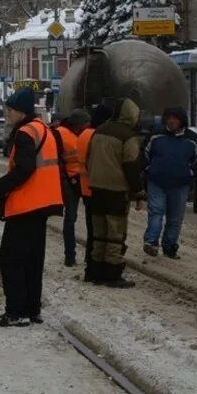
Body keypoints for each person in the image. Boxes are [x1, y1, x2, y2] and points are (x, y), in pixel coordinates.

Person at [0, 87, 64, 327]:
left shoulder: (24, 133)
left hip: (26, 205)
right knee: (32, 260)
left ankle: (16, 312)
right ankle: (32, 309)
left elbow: (24, 169)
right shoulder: (44, 130)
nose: (7, 113)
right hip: (43, 204)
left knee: (11, 259)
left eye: (9, 109)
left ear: (20, 111)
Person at [85, 99, 145, 288]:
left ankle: (94, 271)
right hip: (116, 191)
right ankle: (112, 273)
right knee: (115, 234)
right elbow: (131, 166)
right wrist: (139, 192)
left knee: (99, 232)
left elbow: (88, 159)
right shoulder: (128, 137)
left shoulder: (99, 131)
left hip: (95, 188)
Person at [143, 107, 197, 259]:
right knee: (156, 212)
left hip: (180, 183)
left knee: (175, 218)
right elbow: (143, 154)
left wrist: (191, 173)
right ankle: (151, 241)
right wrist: (149, 169)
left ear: (182, 120)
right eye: (169, 118)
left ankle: (169, 246)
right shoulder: (155, 136)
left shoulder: (192, 139)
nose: (172, 121)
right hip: (157, 181)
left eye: (175, 118)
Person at [78, 104, 113, 278]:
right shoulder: (98, 136)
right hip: (98, 188)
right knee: (100, 230)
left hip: (85, 188)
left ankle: (90, 260)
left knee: (92, 229)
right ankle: (95, 263)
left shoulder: (84, 134)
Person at [53, 109, 90, 267]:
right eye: (84, 125)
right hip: (69, 181)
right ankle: (70, 255)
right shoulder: (59, 134)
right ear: (77, 125)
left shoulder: (83, 134)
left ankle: (88, 256)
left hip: (85, 180)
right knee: (71, 218)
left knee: (88, 220)